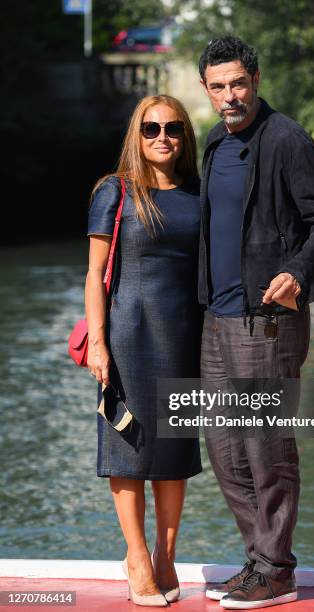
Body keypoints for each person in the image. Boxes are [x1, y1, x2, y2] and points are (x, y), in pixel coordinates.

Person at [198, 37, 314, 609]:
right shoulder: (215, 141)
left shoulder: (286, 140)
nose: (230, 95)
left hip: (269, 319)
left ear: (255, 80)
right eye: (218, 86)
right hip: (217, 317)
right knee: (224, 445)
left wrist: (296, 272)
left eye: (238, 83)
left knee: (266, 445)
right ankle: (258, 560)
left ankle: (277, 569)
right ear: (208, 90)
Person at [85, 95, 202, 607]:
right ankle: (135, 558)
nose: (162, 137)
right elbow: (93, 273)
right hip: (128, 333)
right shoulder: (115, 191)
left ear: (184, 136)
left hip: (185, 335)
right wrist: (98, 343)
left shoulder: (198, 193)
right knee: (126, 450)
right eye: (151, 128)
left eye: (173, 129)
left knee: (174, 451)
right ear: (137, 132)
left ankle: (166, 555)